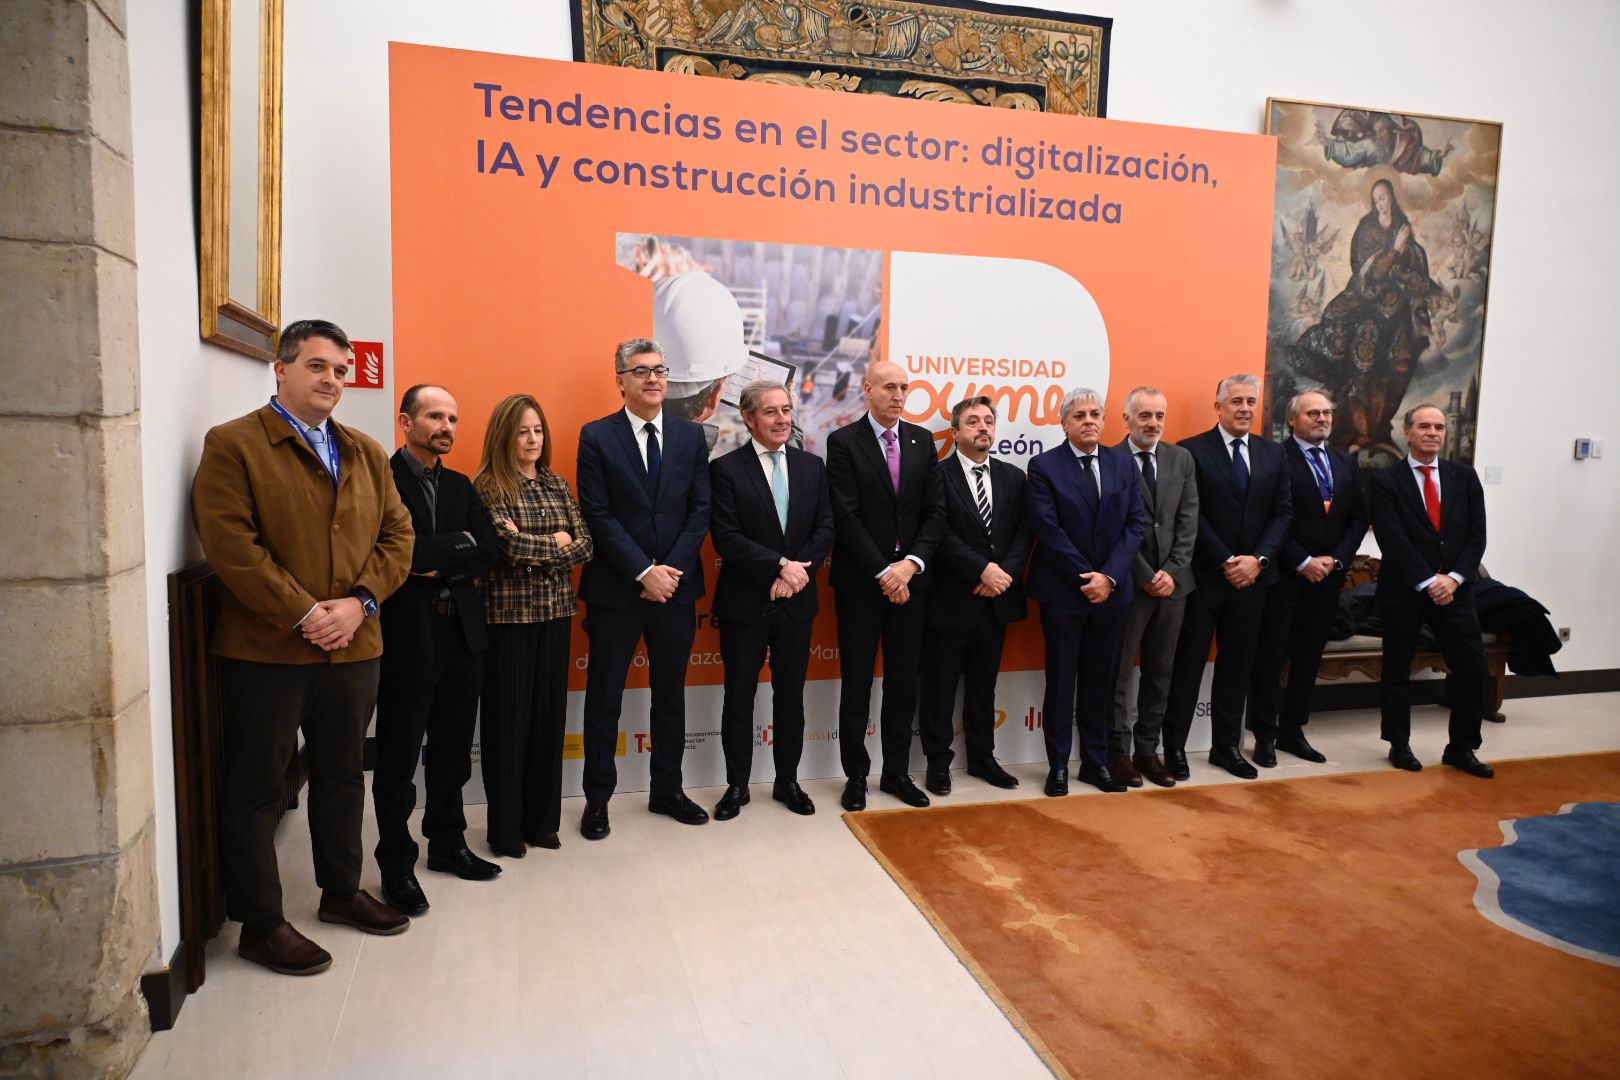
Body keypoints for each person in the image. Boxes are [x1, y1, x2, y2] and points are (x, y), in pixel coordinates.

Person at [191, 319, 413, 975]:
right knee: (260, 786)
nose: (332, 381)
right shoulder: (233, 445)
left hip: (355, 645)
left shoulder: (368, 451)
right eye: (318, 366)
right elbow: (233, 547)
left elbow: (397, 539)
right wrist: (307, 614)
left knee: (344, 776)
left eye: (341, 370)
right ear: (281, 369)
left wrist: (360, 603)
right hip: (267, 651)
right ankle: (261, 923)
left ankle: (341, 893)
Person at [372, 384, 501, 917]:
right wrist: (451, 550)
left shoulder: (460, 484)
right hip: (407, 638)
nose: (446, 426)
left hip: (462, 637)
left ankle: (447, 844)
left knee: (451, 752)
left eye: (452, 417)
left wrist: (434, 558)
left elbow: (488, 550)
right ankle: (396, 862)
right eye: (434, 416)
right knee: (399, 756)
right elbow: (396, 554)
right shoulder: (382, 480)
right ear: (406, 422)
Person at [576, 339, 712, 838]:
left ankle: (667, 791)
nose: (653, 379)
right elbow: (598, 514)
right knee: (604, 697)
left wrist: (669, 571)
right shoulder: (596, 436)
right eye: (641, 371)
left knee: (670, 696)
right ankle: (597, 799)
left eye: (659, 370)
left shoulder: (690, 436)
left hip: (676, 589)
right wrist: (643, 572)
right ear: (621, 379)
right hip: (617, 589)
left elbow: (700, 512)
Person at [475, 393, 595, 856]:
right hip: (509, 619)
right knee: (508, 724)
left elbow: (585, 544)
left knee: (548, 722)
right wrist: (553, 545)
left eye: (538, 430)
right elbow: (508, 549)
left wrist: (536, 545)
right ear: (504, 434)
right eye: (522, 430)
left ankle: (542, 822)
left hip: (556, 616)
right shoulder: (489, 486)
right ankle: (505, 830)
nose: (531, 439)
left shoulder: (557, 484)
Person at [708, 380, 834, 819]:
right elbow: (726, 537)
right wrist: (781, 565)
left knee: (790, 697)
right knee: (738, 697)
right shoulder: (725, 470)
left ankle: (788, 782)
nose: (783, 419)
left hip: (796, 603)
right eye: (771, 412)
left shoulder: (812, 467)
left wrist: (795, 574)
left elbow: (825, 530)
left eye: (786, 410)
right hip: (745, 603)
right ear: (748, 418)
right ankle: (737, 786)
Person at [825, 360, 946, 810]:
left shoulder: (922, 441)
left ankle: (896, 773)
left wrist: (910, 565)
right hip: (862, 583)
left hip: (912, 583)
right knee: (857, 682)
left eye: (904, 388)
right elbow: (846, 516)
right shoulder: (843, 443)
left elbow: (936, 512)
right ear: (868, 390)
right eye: (890, 387)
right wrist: (883, 571)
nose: (898, 395)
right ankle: (855, 776)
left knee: (902, 683)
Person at [1162, 374, 1293, 781]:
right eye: (1236, 401)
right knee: (1188, 667)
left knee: (1237, 668)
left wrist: (1259, 560)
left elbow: (1282, 513)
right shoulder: (1191, 451)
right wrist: (1226, 559)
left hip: (1254, 581)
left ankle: (1226, 747)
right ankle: (1175, 749)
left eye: (1250, 402)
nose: (1244, 408)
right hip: (1204, 580)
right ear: (1218, 407)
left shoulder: (1273, 454)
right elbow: (1190, 514)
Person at [1026, 388, 1147, 795]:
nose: (1089, 420)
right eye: (1079, 415)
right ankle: (1058, 766)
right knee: (1061, 683)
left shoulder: (1123, 464)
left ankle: (1095, 763)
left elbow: (1136, 525)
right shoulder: (1043, 466)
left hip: (1113, 595)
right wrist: (1087, 577)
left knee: (1101, 682)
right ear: (1064, 423)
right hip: (1064, 594)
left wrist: (1109, 578)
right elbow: (1048, 529)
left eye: (1096, 413)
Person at [1368, 405, 1493, 777]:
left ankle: (1462, 748)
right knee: (1397, 669)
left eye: (1439, 427)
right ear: (1407, 433)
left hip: (1455, 590)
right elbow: (1392, 539)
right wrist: (1427, 581)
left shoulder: (1464, 477)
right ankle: (1398, 744)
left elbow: (1477, 535)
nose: (1433, 433)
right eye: (1424, 426)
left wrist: (1453, 578)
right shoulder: (1386, 480)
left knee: (1473, 667)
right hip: (1405, 591)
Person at [1246, 390, 1367, 767]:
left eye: (1326, 413)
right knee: (1271, 657)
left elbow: (1358, 519)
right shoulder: (1274, 458)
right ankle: (1264, 735)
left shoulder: (1344, 462)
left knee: (1308, 657)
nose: (1322, 419)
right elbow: (1271, 516)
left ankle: (1293, 731)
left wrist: (1337, 560)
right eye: (1313, 413)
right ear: (1292, 419)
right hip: (1284, 576)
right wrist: (1302, 560)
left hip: (1328, 580)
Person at [918, 396, 1031, 794]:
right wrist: (979, 569)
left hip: (996, 599)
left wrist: (1002, 575)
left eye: (988, 421)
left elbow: (1023, 533)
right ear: (955, 432)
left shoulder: (1013, 477)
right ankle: (937, 762)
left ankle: (983, 758)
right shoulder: (937, 474)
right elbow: (939, 533)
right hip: (952, 598)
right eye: (973, 422)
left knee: (984, 686)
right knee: (939, 686)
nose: (982, 427)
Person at [1289, 178, 1442, 455]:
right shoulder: (1367, 229)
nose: (1381, 204)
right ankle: (1357, 427)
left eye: (1384, 198)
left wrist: (1404, 263)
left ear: (1393, 198)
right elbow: (1366, 271)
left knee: (1399, 366)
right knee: (1363, 358)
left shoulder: (1403, 229)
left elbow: (1417, 267)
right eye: (1377, 199)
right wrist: (1394, 252)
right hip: (1366, 304)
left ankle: (1377, 426)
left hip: (1398, 314)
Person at [1105, 387, 1199, 788]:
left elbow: (1188, 519)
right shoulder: (1110, 460)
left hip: (1174, 587)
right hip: (1130, 585)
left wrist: (1173, 571)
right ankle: (1118, 753)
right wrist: (1145, 574)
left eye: (1159, 415)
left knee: (1161, 672)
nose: (1153, 423)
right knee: (1120, 674)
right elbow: (1112, 526)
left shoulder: (1181, 458)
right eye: (1144, 415)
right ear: (1126, 419)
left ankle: (1148, 750)